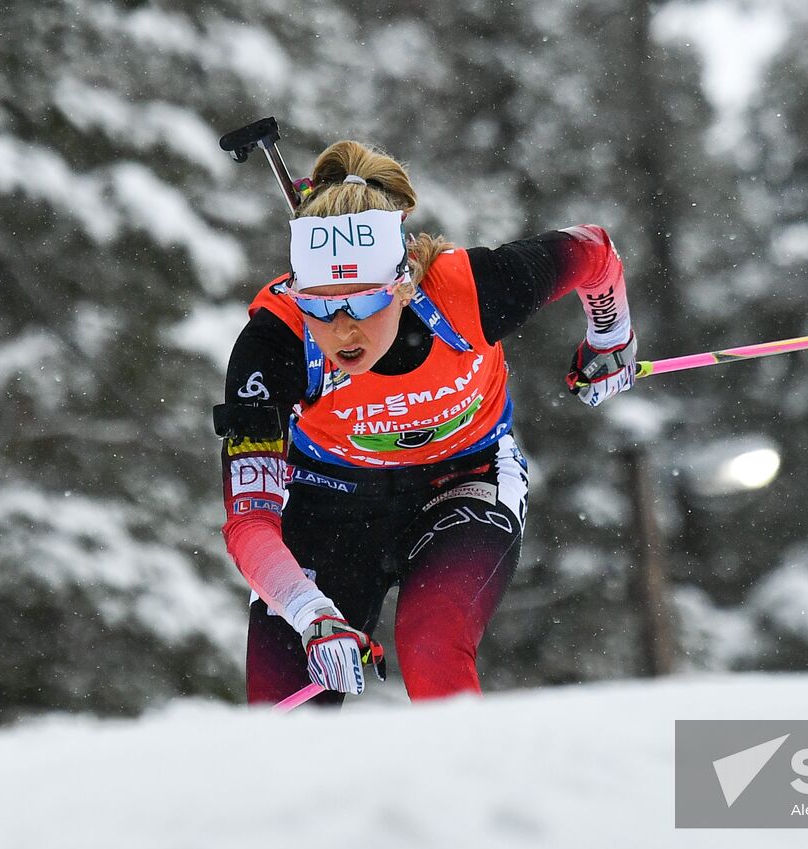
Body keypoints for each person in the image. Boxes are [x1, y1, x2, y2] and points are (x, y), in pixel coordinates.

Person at [215, 139, 636, 705]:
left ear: (403, 283)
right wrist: (312, 614)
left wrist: (610, 338)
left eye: (364, 303)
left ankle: (476, 789)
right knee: (284, 714)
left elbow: (593, 251)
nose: (342, 330)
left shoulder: (472, 291)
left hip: (463, 479)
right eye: (319, 304)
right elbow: (249, 523)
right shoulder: (274, 344)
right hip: (325, 502)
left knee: (432, 645)